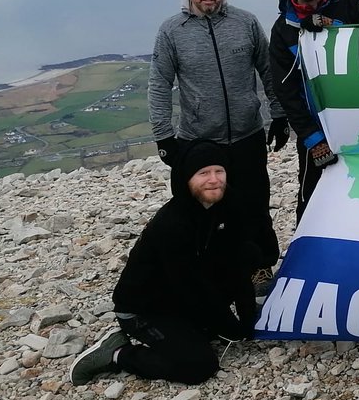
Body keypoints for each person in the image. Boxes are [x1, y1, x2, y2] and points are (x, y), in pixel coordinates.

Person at [70, 141, 259, 386]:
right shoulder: (172, 223)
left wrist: (247, 321)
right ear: (186, 178)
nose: (213, 179)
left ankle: (196, 329)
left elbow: (237, 263)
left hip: (181, 294)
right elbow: (189, 284)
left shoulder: (228, 205)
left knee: (250, 253)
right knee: (200, 366)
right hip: (145, 307)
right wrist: (228, 325)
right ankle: (117, 354)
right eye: (203, 173)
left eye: (219, 171)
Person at [148, 0, 287, 270]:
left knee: (254, 206)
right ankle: (202, 271)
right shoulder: (172, 31)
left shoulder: (246, 23)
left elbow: (268, 71)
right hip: (198, 142)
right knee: (200, 209)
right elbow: (159, 84)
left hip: (247, 136)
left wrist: (279, 115)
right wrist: (163, 135)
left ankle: (259, 268)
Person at [269, 0, 359, 222]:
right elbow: (286, 91)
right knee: (313, 201)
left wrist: (334, 28)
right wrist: (314, 140)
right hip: (317, 133)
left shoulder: (348, 4)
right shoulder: (283, 29)